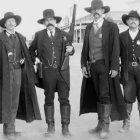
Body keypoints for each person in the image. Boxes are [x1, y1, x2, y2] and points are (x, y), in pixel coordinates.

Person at [79, 0, 127, 139]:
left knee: (105, 95)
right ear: (91, 12)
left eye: (98, 9)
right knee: (97, 94)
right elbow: (85, 48)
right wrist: (83, 64)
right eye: (93, 10)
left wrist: (114, 67)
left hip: (105, 66)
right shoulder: (88, 28)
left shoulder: (111, 27)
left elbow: (116, 48)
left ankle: (106, 126)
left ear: (103, 11)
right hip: (92, 66)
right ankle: (100, 124)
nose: (96, 12)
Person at [29, 9, 74, 138]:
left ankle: (65, 127)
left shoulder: (64, 34)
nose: (49, 22)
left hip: (63, 72)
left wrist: (71, 50)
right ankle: (50, 126)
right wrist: (35, 59)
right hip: (47, 72)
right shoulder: (39, 35)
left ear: (55, 21)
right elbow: (31, 50)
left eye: (51, 20)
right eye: (46, 20)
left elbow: (71, 50)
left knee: (64, 99)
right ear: (44, 22)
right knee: (49, 99)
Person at [0, 12, 41, 137]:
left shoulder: (20, 37)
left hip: (18, 72)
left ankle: (9, 129)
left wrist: (24, 58)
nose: (11, 23)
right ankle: (9, 130)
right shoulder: (0, 38)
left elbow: (26, 53)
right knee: (6, 101)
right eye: (8, 21)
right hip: (4, 74)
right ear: (5, 24)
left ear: (16, 23)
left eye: (13, 21)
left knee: (15, 101)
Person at [119, 10, 140, 132]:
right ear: (127, 21)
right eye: (131, 19)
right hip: (127, 69)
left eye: (136, 19)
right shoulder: (121, 36)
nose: (133, 21)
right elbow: (116, 54)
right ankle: (126, 123)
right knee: (128, 96)